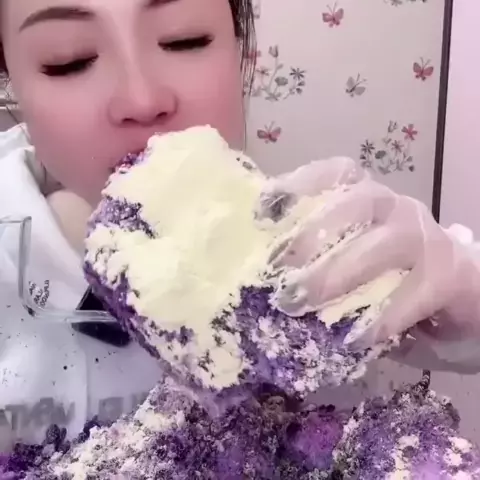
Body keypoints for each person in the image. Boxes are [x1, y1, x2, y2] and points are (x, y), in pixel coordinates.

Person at [0, 0, 479, 450]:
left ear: (238, 49)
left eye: (184, 38)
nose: (142, 100)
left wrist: (460, 297)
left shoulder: (309, 247)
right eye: (68, 60)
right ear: (10, 79)